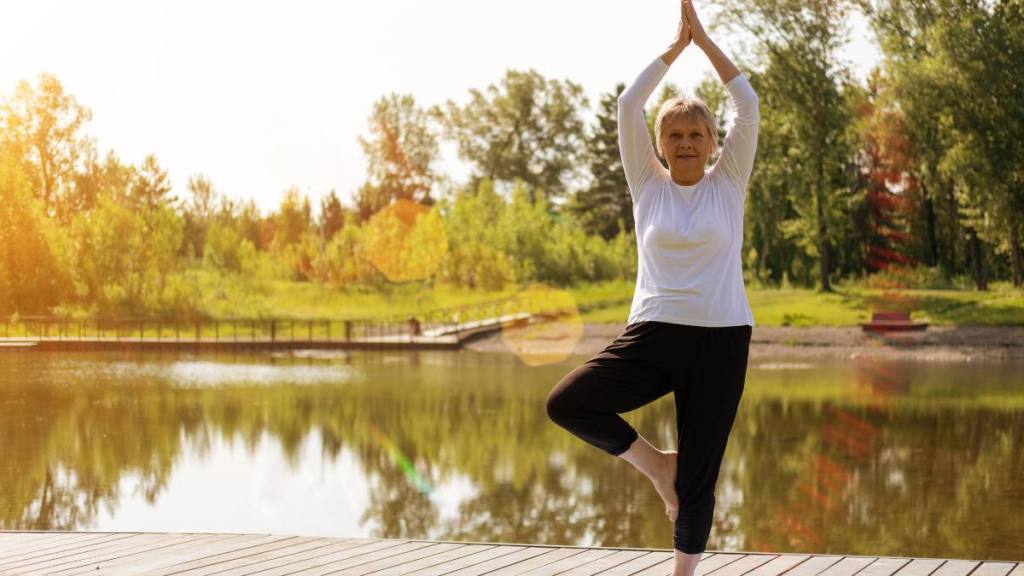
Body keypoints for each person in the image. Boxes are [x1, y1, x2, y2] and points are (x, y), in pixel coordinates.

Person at [545, 1, 758, 574]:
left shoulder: (729, 181)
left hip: (721, 338)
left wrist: (707, 41)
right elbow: (627, 104)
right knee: (568, 403)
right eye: (674, 133)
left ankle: (682, 572)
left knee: (701, 476)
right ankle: (656, 466)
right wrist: (674, 49)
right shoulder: (648, 184)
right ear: (659, 143)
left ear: (713, 142)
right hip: (654, 334)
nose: (686, 142)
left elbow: (748, 102)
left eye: (696, 133)